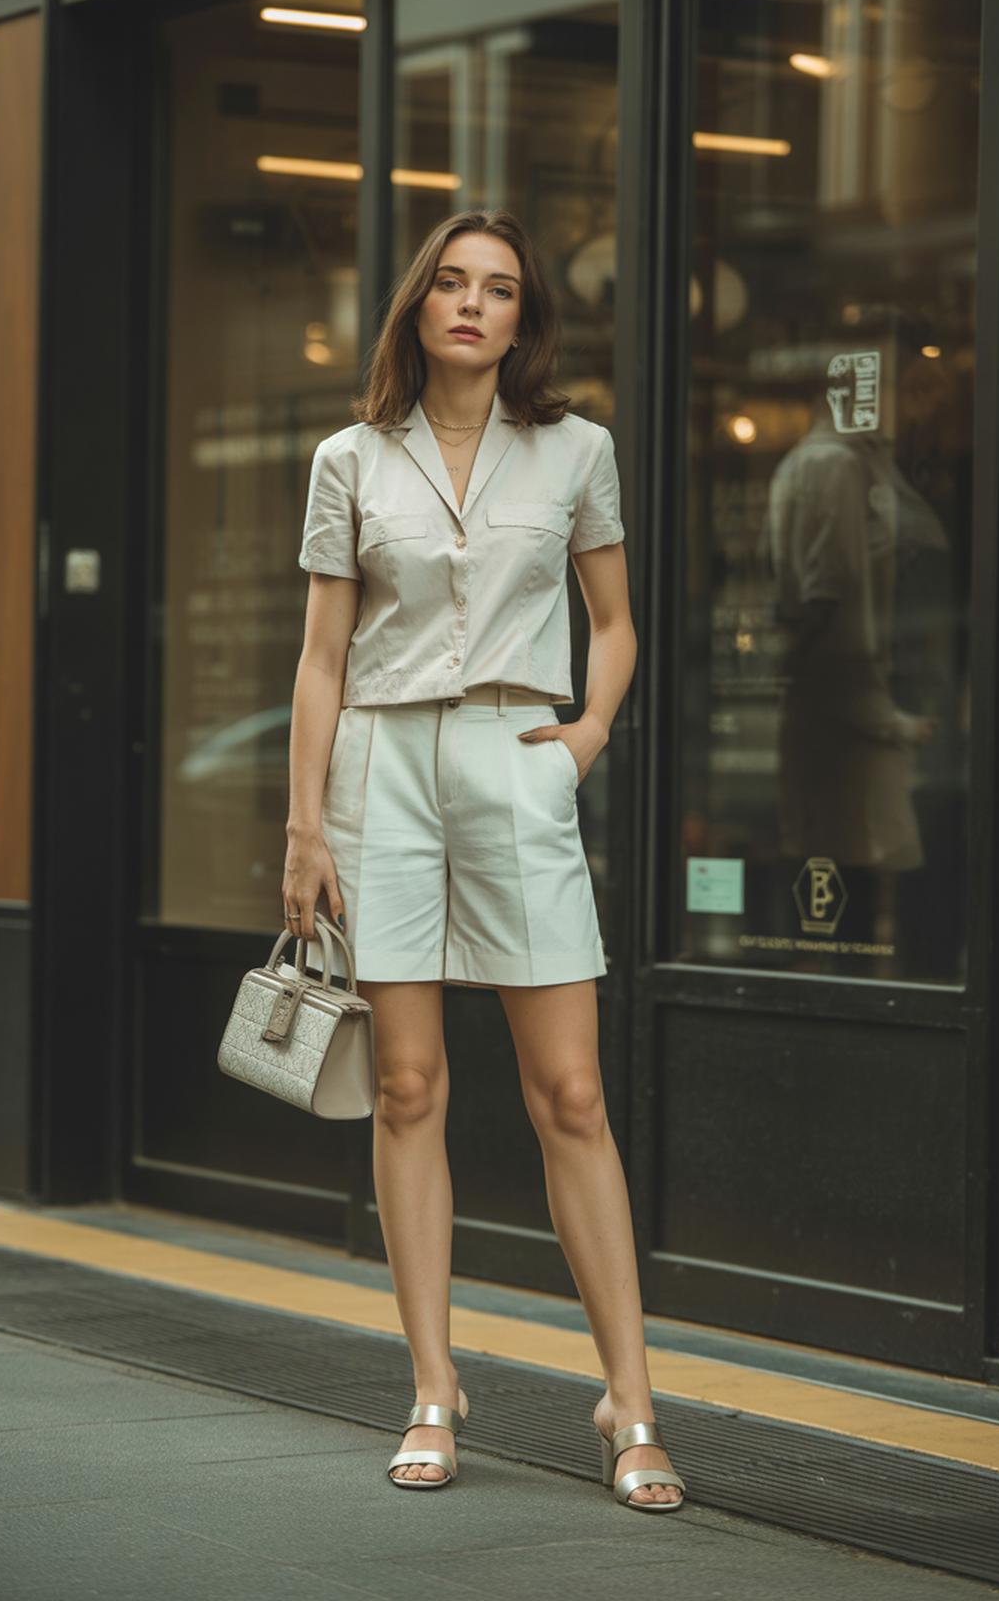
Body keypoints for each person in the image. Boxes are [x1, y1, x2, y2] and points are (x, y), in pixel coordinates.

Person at [282, 208, 683, 1511]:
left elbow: (615, 624)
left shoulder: (577, 449)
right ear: (417, 305)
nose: (471, 304)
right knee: (405, 1087)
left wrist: (581, 743)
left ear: (525, 319)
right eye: (450, 283)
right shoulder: (352, 457)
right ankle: (434, 1389)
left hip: (516, 762)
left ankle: (630, 1401)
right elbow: (323, 660)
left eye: (498, 288)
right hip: (381, 776)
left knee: (570, 1094)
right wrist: (304, 828)